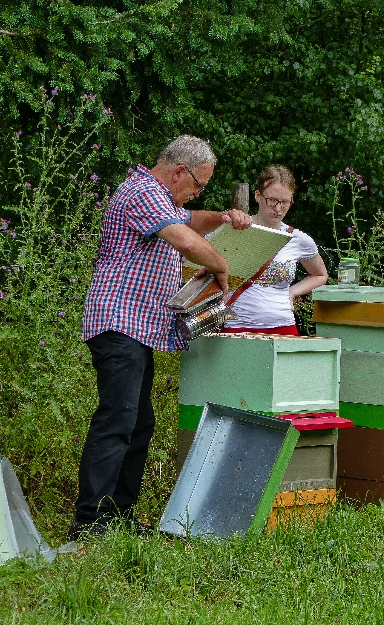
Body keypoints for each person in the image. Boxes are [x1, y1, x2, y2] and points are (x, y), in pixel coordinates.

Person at [73, 135, 251, 539]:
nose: (198, 193)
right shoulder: (142, 191)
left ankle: (118, 518)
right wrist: (221, 263)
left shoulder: (162, 200)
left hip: (134, 327)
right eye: (198, 184)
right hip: (118, 322)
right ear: (178, 172)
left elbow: (192, 222)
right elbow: (185, 239)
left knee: (138, 423)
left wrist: (223, 218)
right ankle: (90, 523)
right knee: (118, 421)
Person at [222, 165, 328, 334]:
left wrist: (292, 292)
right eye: (272, 200)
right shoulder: (233, 230)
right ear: (258, 195)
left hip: (283, 325)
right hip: (236, 325)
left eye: (284, 202)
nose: (278, 209)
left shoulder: (298, 239)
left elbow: (320, 275)